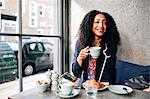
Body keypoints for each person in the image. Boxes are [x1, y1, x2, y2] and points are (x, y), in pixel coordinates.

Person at [72, 10, 120, 84]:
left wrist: (98, 84)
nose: (101, 25)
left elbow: (110, 72)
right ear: (90, 24)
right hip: (85, 86)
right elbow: (75, 73)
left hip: (103, 86)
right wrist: (79, 59)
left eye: (105, 23)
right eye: (97, 22)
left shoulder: (110, 45)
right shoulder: (80, 43)